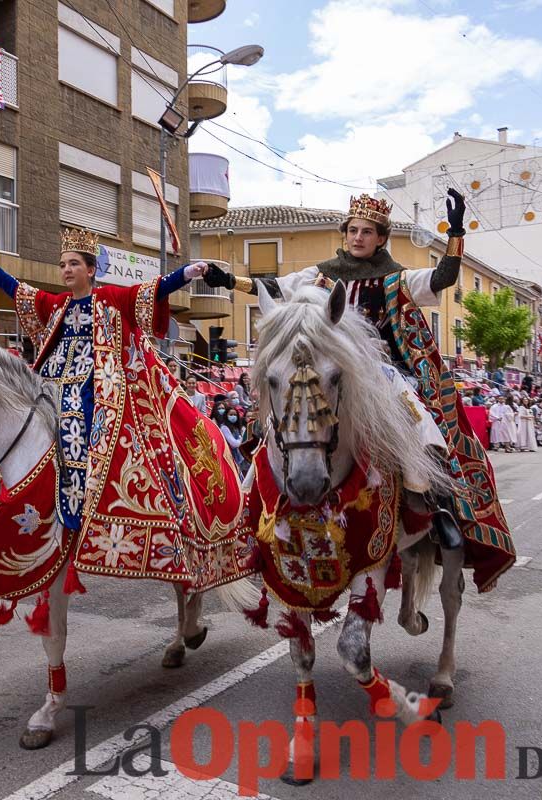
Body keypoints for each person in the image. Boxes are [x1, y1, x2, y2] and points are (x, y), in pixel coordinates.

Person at [205, 190, 518, 582]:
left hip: (380, 370)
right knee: (277, 418)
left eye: (367, 232)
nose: (357, 238)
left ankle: (435, 503)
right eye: (352, 230)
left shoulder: (397, 277)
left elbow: (443, 277)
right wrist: (227, 279)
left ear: (381, 238)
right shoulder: (319, 275)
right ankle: (248, 503)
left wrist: (455, 232)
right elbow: (273, 287)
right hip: (328, 368)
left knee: (420, 417)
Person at [0, 229, 211, 539]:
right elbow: (22, 293)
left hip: (96, 388)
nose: (66, 270)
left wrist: (186, 274)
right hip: (51, 382)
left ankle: (85, 505)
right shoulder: (57, 305)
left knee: (78, 421)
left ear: (90, 269)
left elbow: (151, 290)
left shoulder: (111, 298)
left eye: (73, 264)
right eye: (62, 265)